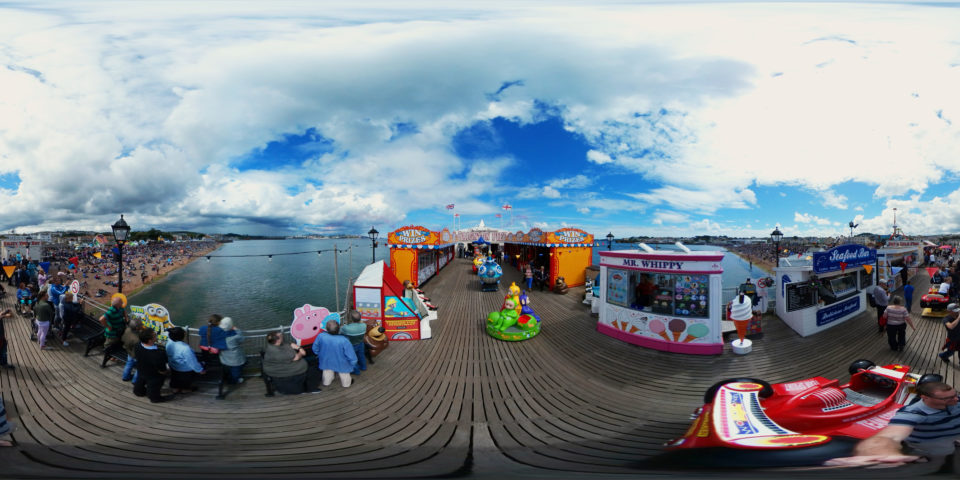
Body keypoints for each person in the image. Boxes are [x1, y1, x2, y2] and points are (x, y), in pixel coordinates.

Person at [825, 381, 960, 471]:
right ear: (925, 398)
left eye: (955, 395)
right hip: (934, 448)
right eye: (947, 398)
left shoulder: (954, 400)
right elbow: (889, 436)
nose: (955, 400)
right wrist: (879, 456)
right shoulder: (913, 413)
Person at [311, 319, 357, 388]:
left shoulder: (321, 336)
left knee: (327, 371)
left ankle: (326, 383)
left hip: (326, 360)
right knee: (344, 374)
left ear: (326, 328)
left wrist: (318, 353)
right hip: (341, 362)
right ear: (338, 329)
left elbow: (315, 348)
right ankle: (346, 384)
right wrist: (353, 362)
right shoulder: (344, 340)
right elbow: (350, 354)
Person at [133, 328, 172, 403]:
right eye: (155, 336)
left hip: (141, 368)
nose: (156, 337)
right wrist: (165, 372)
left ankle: (138, 391)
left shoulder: (138, 345)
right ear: (150, 340)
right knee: (153, 386)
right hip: (153, 374)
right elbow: (162, 369)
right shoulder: (157, 354)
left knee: (140, 380)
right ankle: (155, 398)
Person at [165, 327, 204, 394]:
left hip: (173, 367)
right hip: (185, 370)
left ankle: (175, 388)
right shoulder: (185, 348)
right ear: (182, 336)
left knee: (175, 379)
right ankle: (185, 389)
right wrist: (200, 370)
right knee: (185, 383)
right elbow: (192, 362)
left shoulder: (169, 342)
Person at [98, 296, 127, 367]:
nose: (122, 303)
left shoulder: (120, 308)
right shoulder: (111, 311)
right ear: (118, 304)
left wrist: (126, 317)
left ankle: (114, 355)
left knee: (116, 343)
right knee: (109, 344)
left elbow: (123, 311)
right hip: (112, 333)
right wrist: (108, 326)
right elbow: (101, 319)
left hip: (119, 330)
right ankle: (110, 356)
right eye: (121, 302)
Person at [218, 317, 245, 384]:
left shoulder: (218, 334)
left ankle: (227, 377)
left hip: (224, 357)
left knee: (227, 368)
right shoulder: (235, 336)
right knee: (235, 371)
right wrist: (237, 330)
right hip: (235, 359)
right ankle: (234, 381)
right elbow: (242, 339)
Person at [340, 310, 367, 376]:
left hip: (351, 345)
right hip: (361, 343)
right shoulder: (364, 325)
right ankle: (364, 367)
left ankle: (356, 371)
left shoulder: (346, 328)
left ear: (350, 319)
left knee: (352, 359)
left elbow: (340, 331)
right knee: (361, 355)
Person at [121, 318, 142, 383]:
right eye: (141, 325)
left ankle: (125, 377)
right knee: (140, 368)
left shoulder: (127, 330)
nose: (142, 325)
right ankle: (135, 381)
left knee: (129, 364)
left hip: (129, 352)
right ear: (137, 328)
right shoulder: (137, 339)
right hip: (136, 355)